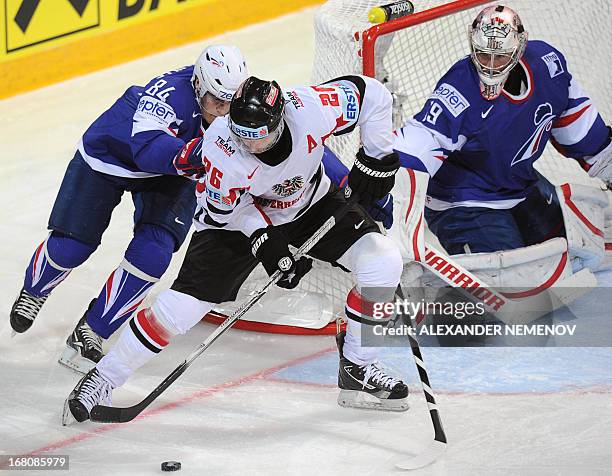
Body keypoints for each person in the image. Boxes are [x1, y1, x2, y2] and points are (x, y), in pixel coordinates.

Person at [63, 73, 411, 424]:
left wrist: (378, 156)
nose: (251, 145)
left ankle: (359, 366)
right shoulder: (221, 147)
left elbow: (375, 96)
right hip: (236, 220)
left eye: (258, 136)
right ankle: (105, 377)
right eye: (242, 135)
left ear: (280, 117)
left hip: (311, 202)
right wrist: (264, 240)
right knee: (177, 310)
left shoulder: (311, 108)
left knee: (383, 263)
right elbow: (225, 213)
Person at [9, 45, 249, 374]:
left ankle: (91, 332)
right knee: (72, 246)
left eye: (228, 103)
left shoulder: (237, 105)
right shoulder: (166, 97)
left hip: (172, 174)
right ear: (197, 86)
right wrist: (199, 156)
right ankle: (34, 290)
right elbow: (148, 151)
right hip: (111, 158)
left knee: (154, 254)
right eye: (215, 101)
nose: (222, 112)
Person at [361, 5, 612, 257]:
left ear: (519, 48)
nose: (490, 66)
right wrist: (381, 185)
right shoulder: (461, 86)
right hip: (462, 202)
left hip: (518, 185)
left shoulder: (547, 65)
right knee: (512, 286)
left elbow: (580, 126)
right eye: (482, 55)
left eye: (500, 56)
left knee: (582, 249)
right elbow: (423, 140)